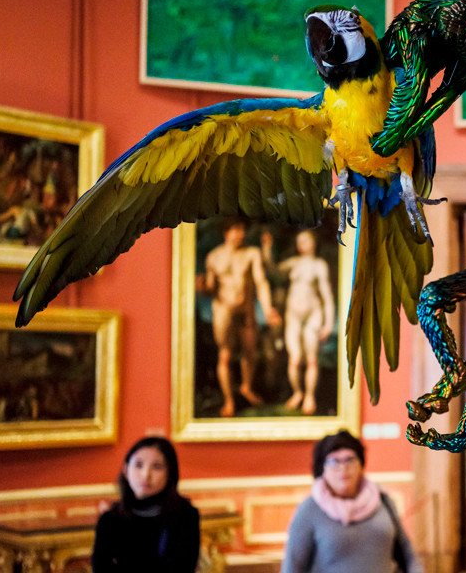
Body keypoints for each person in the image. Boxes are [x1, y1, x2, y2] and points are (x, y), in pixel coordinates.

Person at [281, 430, 423, 573]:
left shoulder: (382, 501)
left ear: (361, 465)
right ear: (321, 468)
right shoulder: (309, 509)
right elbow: (293, 567)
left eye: (349, 459)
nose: (343, 468)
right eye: (334, 461)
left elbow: (407, 556)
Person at [197, 218, 280, 417]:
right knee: (225, 355)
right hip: (223, 310)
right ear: (226, 232)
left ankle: (246, 387)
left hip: (246, 310)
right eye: (236, 230)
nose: (240, 234)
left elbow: (261, 282)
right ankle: (229, 401)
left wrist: (268, 309)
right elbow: (211, 287)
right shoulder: (214, 257)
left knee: (250, 352)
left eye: (242, 230)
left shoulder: (251, 254)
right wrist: (202, 286)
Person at [91, 436, 200, 573]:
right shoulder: (110, 519)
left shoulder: (185, 515)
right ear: (126, 470)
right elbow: (101, 567)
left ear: (170, 473)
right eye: (138, 465)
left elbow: (184, 567)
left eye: (157, 467)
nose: (145, 475)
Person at [279, 230, 334, 415]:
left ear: (313, 242)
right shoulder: (293, 263)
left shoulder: (319, 265)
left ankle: (310, 396)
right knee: (294, 359)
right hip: (293, 315)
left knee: (311, 359)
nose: (302, 244)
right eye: (300, 241)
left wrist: (328, 323)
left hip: (313, 314)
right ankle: (297, 392)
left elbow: (327, 296)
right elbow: (272, 270)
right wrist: (267, 249)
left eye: (306, 240)